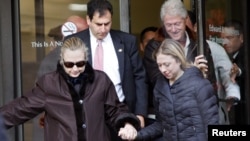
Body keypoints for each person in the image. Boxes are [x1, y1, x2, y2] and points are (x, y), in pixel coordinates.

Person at [0, 37, 140, 141]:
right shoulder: (49, 83)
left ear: (86, 59)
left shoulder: (101, 80)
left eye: (80, 63)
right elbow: (20, 108)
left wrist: (127, 123)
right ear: (61, 61)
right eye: (69, 64)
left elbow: (115, 109)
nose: (75, 69)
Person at [143, 0, 240, 125]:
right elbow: (159, 82)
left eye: (177, 24)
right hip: (171, 116)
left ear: (185, 20)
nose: (173, 29)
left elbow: (210, 83)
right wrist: (192, 71)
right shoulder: (155, 46)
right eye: (168, 25)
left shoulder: (199, 44)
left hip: (199, 114)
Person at [66, 1, 148, 139]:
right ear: (88, 20)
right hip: (87, 115)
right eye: (99, 24)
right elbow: (64, 78)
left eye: (107, 23)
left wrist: (140, 113)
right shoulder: (74, 42)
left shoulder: (127, 41)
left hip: (121, 113)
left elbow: (139, 77)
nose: (103, 29)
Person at [119, 39, 219, 141]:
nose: (163, 70)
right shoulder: (160, 87)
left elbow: (212, 123)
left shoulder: (199, 84)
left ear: (179, 60)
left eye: (167, 64)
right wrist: (138, 135)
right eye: (159, 65)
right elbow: (161, 124)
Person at [221, 20, 246, 124]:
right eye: (222, 39)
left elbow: (242, 68)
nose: (225, 42)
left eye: (229, 38)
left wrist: (238, 71)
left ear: (241, 38)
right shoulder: (230, 56)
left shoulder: (244, 55)